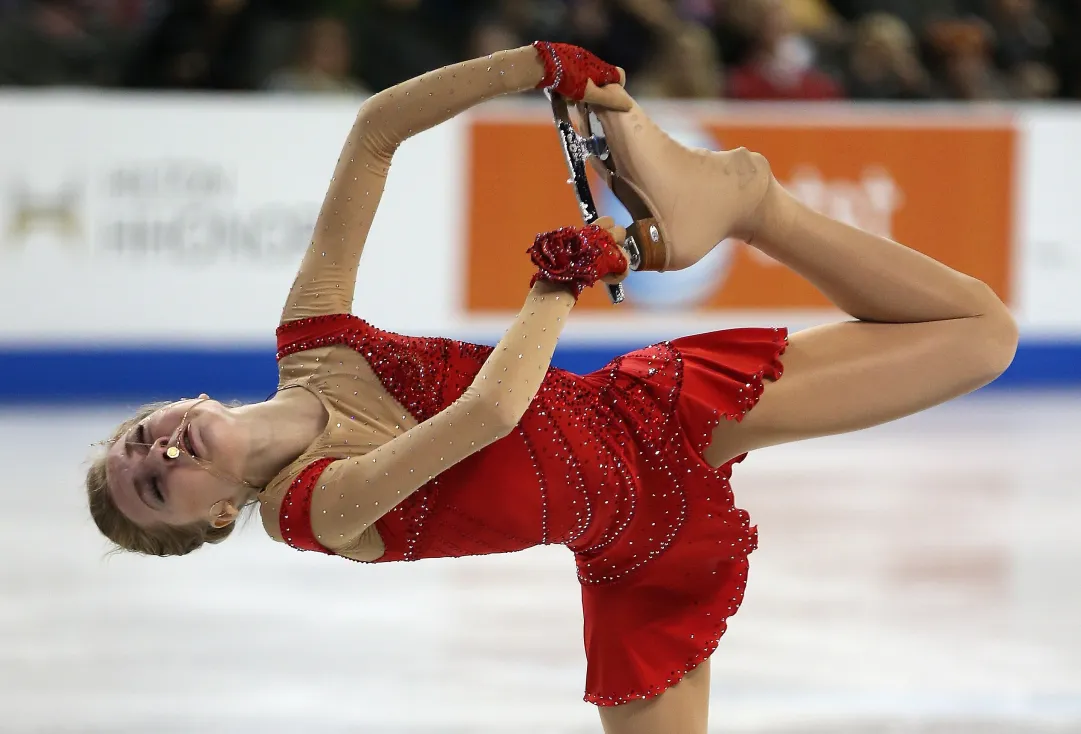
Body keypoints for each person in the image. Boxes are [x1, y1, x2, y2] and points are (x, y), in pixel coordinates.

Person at [86, 42, 1018, 734]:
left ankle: (751, 203)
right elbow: (485, 417)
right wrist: (558, 281)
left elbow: (374, 133)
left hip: (655, 415)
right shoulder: (312, 509)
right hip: (636, 557)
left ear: (177, 403)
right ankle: (743, 205)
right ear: (212, 521)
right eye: (158, 487)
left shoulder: (312, 335)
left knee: (983, 336)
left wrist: (530, 68)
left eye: (141, 441)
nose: (163, 453)